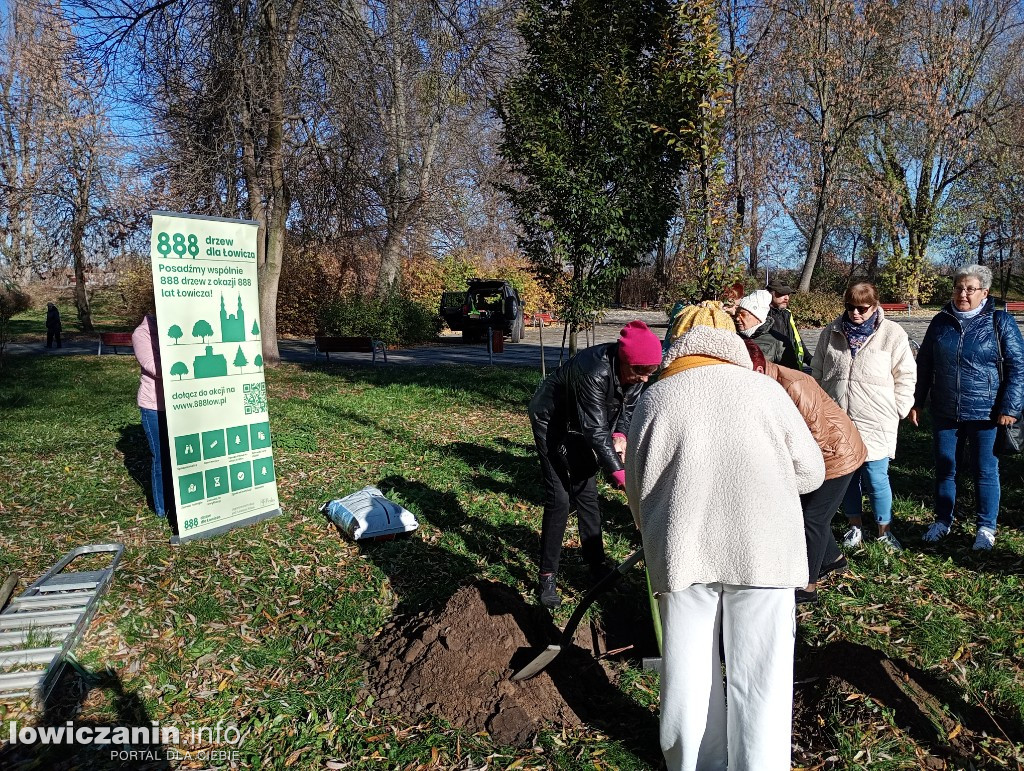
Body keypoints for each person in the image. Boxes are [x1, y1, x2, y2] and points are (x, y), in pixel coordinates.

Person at [625, 302, 824, 771]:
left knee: (687, 671)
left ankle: (694, 765)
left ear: (677, 339)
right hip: (765, 548)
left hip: (682, 549)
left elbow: (636, 487)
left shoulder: (656, 397)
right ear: (732, 340)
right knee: (762, 675)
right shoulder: (765, 391)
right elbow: (812, 472)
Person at [528, 320, 662, 608]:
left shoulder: (636, 375)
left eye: (650, 373)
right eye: (640, 371)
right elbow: (594, 429)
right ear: (625, 361)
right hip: (551, 421)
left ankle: (596, 564)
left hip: (583, 426)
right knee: (560, 498)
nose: (645, 379)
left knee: (587, 493)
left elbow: (626, 409)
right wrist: (621, 475)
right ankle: (547, 576)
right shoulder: (594, 369)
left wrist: (621, 436)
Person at [910, 264, 1024, 550]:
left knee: (986, 471)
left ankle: (986, 527)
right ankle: (942, 521)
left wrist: (1010, 407)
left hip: (988, 413)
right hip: (946, 410)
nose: (963, 293)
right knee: (945, 468)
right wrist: (917, 401)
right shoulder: (940, 321)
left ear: (984, 292)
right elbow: (924, 364)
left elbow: (1018, 367)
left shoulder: (1001, 322)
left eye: (970, 288)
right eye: (959, 287)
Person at [744, 341, 867, 604]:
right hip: (822, 454)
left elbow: (816, 437)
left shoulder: (794, 385)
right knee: (807, 513)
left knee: (812, 519)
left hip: (836, 455)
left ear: (759, 366)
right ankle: (832, 559)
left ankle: (807, 586)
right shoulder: (765, 382)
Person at [811, 281, 916, 550]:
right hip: (838, 418)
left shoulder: (892, 333)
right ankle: (854, 527)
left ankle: (884, 530)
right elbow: (818, 371)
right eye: (850, 307)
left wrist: (900, 407)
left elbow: (905, 374)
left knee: (876, 475)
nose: (855, 313)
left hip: (877, 418)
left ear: (875, 305)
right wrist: (821, 405)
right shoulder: (831, 332)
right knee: (847, 476)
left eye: (862, 308)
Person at [133, 313, 173, 519]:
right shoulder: (142, 334)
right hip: (155, 405)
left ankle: (179, 503)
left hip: (180, 404)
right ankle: (161, 508)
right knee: (161, 457)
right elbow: (155, 368)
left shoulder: (175, 325)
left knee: (178, 456)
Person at [735, 289, 793, 367]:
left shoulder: (779, 341)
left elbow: (789, 375)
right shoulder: (733, 336)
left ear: (758, 316)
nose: (737, 319)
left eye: (743, 314)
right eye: (737, 314)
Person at [766, 279, 811, 367]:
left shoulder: (786, 313)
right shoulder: (762, 316)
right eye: (781, 294)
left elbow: (797, 340)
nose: (787, 298)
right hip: (774, 371)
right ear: (769, 294)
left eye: (788, 294)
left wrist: (810, 360)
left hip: (792, 368)